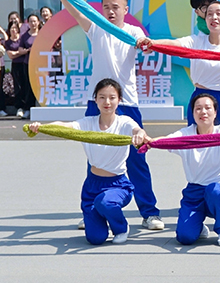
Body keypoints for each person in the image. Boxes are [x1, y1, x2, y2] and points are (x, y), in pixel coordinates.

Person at [137, 0, 220, 230]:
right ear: (204, 18)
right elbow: (174, 44)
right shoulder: (196, 41)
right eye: (210, 14)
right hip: (200, 100)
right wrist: (152, 43)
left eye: (219, 14)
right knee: (195, 149)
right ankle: (199, 208)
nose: (214, 18)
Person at [51, 0, 164, 231]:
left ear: (126, 9)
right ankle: (91, 212)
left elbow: (146, 45)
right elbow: (77, 13)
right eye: (106, 7)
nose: (111, 12)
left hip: (127, 103)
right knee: (95, 157)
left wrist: (145, 44)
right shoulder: (96, 28)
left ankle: (149, 213)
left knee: (137, 158)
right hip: (97, 103)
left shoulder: (134, 32)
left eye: (115, 7)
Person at [26, 79, 147, 245]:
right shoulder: (88, 123)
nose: (107, 102)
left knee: (106, 202)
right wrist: (41, 127)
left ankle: (121, 228)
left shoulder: (125, 122)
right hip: (92, 185)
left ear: (119, 100)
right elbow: (64, 126)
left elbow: (138, 130)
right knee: (95, 238)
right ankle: (101, 216)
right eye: (102, 97)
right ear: (95, 99)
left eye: (112, 97)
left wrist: (139, 134)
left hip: (118, 185)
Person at [145, 93, 220, 247]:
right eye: (198, 108)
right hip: (194, 192)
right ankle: (198, 226)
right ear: (193, 113)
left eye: (207, 108)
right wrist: (149, 141)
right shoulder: (185, 134)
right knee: (185, 237)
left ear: (215, 112)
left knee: (214, 191)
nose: (203, 112)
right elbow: (165, 140)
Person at [15, 14, 40, 118]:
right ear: (28, 23)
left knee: (41, 85)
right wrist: (27, 50)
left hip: (41, 64)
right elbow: (20, 49)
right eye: (31, 21)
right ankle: (28, 108)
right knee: (29, 86)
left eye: (35, 21)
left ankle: (40, 107)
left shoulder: (42, 33)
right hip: (28, 64)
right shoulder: (25, 35)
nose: (33, 23)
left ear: (38, 22)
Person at [3, 23, 23, 117]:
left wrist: (16, 53)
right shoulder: (8, 42)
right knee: (17, 86)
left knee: (26, 85)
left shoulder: (22, 39)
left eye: (15, 28)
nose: (14, 30)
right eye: (12, 28)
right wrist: (22, 52)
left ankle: (26, 106)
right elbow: (11, 55)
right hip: (16, 65)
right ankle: (19, 107)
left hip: (25, 64)